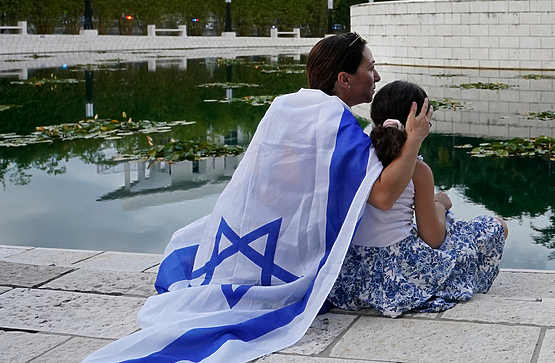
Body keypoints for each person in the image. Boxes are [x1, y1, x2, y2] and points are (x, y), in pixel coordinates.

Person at [84, 32, 431, 363]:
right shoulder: (334, 120)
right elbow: (383, 197)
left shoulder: (286, 105)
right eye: (370, 68)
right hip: (287, 249)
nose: (376, 76)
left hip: (257, 230)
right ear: (344, 78)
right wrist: (413, 140)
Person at [328, 80, 508, 317]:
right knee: (495, 226)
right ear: (420, 121)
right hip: (397, 275)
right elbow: (433, 238)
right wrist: (439, 205)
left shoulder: (358, 154)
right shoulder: (418, 169)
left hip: (351, 274)